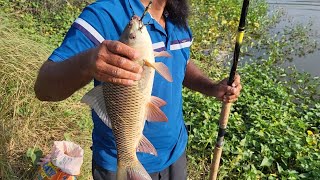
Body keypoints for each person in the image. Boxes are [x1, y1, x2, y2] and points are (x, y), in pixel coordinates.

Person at [34, 0, 242, 179]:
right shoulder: (105, 15)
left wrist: (211, 87)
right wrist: (88, 62)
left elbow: (181, 63)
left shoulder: (176, 17)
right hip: (120, 160)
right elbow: (44, 88)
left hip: (175, 151)